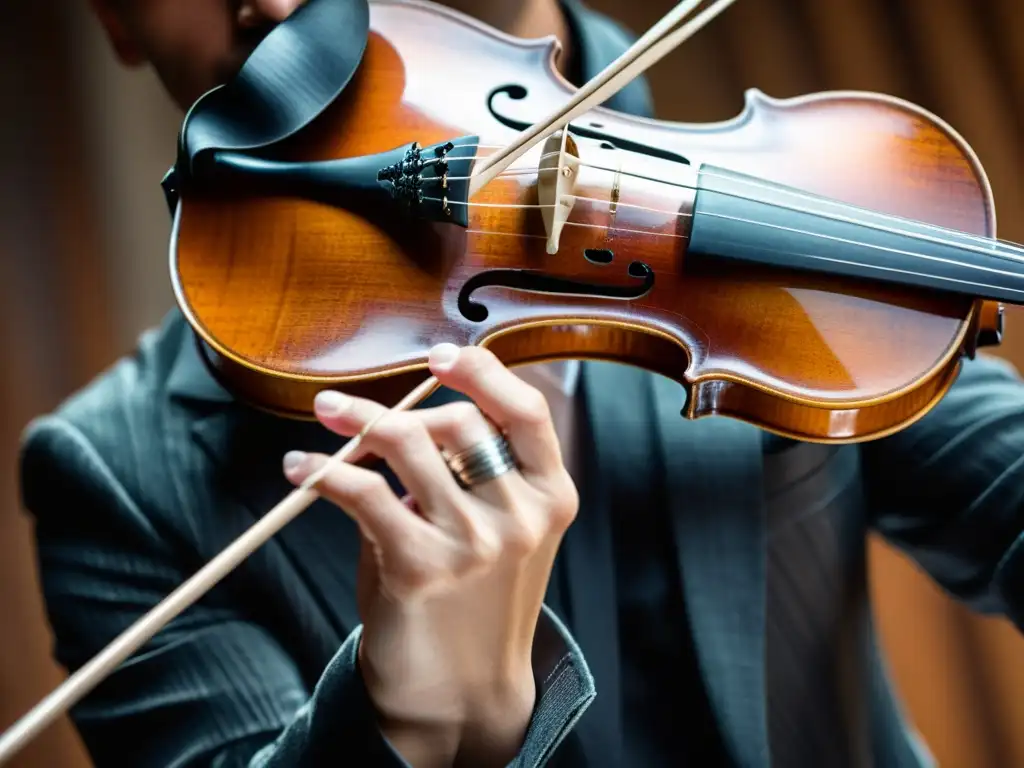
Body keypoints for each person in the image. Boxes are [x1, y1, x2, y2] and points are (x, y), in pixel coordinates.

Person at [17, 0, 1024, 766]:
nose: (274, 7)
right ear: (114, 18)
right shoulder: (109, 474)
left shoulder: (799, 198)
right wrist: (405, 727)